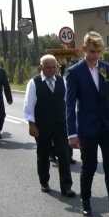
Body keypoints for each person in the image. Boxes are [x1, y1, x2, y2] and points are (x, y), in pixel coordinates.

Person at [66, 31, 109, 217]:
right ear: (84, 49)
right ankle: (85, 201)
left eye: (99, 52)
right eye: (92, 52)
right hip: (87, 128)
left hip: (108, 126)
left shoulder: (106, 69)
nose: (95, 56)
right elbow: (69, 106)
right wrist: (72, 134)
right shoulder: (75, 72)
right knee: (90, 167)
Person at [23, 55, 75, 197]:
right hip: (42, 124)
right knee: (43, 153)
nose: (52, 70)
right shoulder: (34, 83)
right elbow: (29, 105)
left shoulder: (62, 81)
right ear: (41, 67)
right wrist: (31, 125)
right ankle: (44, 181)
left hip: (60, 124)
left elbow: (68, 103)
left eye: (54, 67)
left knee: (64, 154)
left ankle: (66, 186)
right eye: (48, 67)